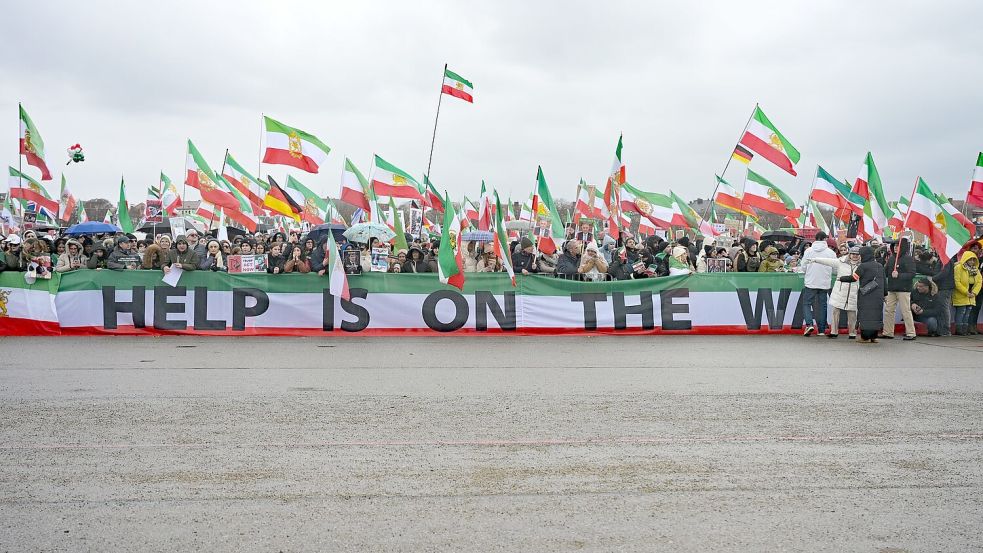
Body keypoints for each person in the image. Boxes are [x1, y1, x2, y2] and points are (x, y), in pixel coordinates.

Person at [809, 245, 861, 339]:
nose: (855, 256)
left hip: (854, 291)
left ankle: (852, 333)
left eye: (857, 254)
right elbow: (828, 262)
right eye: (853, 254)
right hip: (840, 290)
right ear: (849, 254)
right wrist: (816, 259)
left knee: (852, 313)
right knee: (835, 312)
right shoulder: (841, 261)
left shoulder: (862, 265)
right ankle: (834, 331)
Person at [800, 232, 836, 336]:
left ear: (815, 239)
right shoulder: (830, 252)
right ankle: (821, 330)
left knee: (807, 304)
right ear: (825, 239)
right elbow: (835, 269)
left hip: (811, 281)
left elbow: (803, 266)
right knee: (822, 306)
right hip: (824, 282)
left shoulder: (808, 251)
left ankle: (809, 324)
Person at [847, 246, 886, 343]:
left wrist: (841, 279)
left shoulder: (863, 266)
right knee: (876, 315)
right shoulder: (880, 266)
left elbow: (854, 278)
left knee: (866, 315)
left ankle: (865, 337)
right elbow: (884, 281)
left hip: (866, 295)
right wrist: (885, 294)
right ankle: (874, 337)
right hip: (878, 296)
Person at [882, 238, 916, 340]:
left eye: (898, 246)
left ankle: (911, 333)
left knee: (905, 311)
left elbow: (912, 274)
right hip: (892, 288)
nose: (896, 248)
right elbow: (885, 271)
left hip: (904, 289)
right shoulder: (892, 258)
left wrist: (899, 275)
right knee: (888, 310)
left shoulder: (908, 259)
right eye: (894, 246)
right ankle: (888, 332)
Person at [952, 251, 981, 335]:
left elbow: (979, 281)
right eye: (970, 259)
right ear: (965, 259)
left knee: (967, 313)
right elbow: (957, 282)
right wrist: (966, 292)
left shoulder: (976, 270)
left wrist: (974, 293)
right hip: (961, 294)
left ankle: (965, 329)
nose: (972, 261)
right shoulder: (958, 268)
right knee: (961, 312)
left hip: (971, 295)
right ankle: (959, 330)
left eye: (973, 260)